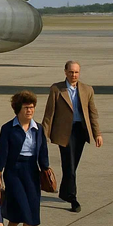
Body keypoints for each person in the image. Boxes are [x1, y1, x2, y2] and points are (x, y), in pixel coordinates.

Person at [0, 90, 50, 226]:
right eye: (26, 108)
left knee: (31, 215)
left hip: (31, 172)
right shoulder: (8, 128)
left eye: (32, 108)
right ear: (18, 109)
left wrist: (46, 170)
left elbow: (42, 152)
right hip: (13, 172)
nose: (30, 111)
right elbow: (2, 151)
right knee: (19, 214)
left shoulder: (38, 129)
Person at [41, 60, 102, 213]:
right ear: (65, 72)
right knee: (69, 164)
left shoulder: (87, 90)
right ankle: (72, 198)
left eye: (76, 72)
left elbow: (92, 114)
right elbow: (49, 113)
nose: (73, 75)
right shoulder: (57, 89)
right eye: (71, 72)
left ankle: (64, 191)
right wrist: (43, 135)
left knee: (73, 165)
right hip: (64, 133)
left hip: (80, 131)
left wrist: (97, 134)